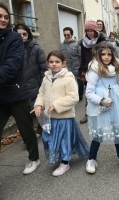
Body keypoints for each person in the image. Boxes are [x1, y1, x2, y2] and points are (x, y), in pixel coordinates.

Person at [33, 50, 89, 176]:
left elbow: (73, 97)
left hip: (63, 117)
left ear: (63, 63)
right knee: (50, 139)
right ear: (47, 63)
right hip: (50, 117)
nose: (54, 64)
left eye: (57, 62)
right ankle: (60, 157)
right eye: (51, 62)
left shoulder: (68, 78)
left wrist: (57, 105)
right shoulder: (46, 78)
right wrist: (38, 105)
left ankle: (65, 163)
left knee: (64, 140)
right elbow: (41, 93)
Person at [0, 2, 40, 175]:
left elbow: (12, 65)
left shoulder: (14, 38)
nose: (3, 20)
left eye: (6, 17)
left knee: (26, 129)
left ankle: (34, 158)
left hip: (16, 93)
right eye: (0, 16)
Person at [85, 41, 119, 174]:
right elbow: (89, 93)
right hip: (101, 104)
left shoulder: (116, 68)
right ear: (98, 55)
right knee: (100, 130)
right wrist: (101, 101)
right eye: (103, 54)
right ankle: (91, 159)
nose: (106, 57)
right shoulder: (94, 70)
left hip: (116, 102)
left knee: (117, 128)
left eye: (109, 54)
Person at [14, 23, 48, 138]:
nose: (22, 36)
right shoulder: (13, 49)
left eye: (24, 34)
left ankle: (41, 128)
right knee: (25, 112)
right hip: (21, 86)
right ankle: (29, 134)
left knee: (38, 108)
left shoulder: (37, 49)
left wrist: (44, 85)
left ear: (28, 34)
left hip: (36, 84)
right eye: (19, 34)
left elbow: (44, 68)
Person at [79, 21, 106, 124]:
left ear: (95, 31)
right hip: (88, 69)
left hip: (99, 68)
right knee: (89, 92)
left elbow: (105, 55)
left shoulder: (101, 41)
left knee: (100, 91)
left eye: (92, 30)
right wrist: (81, 70)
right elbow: (83, 58)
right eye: (88, 31)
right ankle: (88, 113)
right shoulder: (83, 42)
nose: (90, 33)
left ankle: (102, 111)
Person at [60, 27, 83, 101]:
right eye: (65, 35)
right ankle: (71, 96)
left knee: (80, 82)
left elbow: (81, 56)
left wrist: (81, 68)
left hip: (77, 67)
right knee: (69, 83)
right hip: (67, 68)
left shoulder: (77, 44)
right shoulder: (62, 45)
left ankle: (80, 96)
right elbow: (61, 57)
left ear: (72, 34)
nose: (66, 37)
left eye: (68, 35)